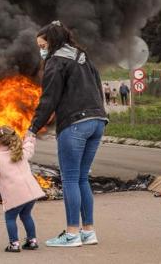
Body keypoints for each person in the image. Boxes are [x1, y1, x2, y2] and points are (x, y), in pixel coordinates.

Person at [25, 21, 108, 247]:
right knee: (82, 178)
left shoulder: (56, 61)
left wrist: (32, 128)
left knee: (70, 178)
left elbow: (49, 99)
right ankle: (88, 232)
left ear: (51, 42)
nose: (41, 50)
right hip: (98, 121)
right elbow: (99, 86)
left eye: (42, 45)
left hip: (75, 123)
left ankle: (72, 234)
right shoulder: (82, 56)